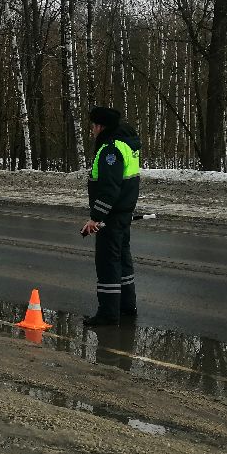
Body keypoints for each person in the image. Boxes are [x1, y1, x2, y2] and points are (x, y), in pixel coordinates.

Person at [80, 105, 141, 326]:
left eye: (93, 127)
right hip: (124, 211)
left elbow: (110, 187)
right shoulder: (126, 143)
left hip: (112, 215)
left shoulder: (110, 149)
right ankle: (127, 305)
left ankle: (108, 312)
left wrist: (96, 217)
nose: (92, 131)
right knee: (123, 260)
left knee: (108, 262)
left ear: (100, 126)